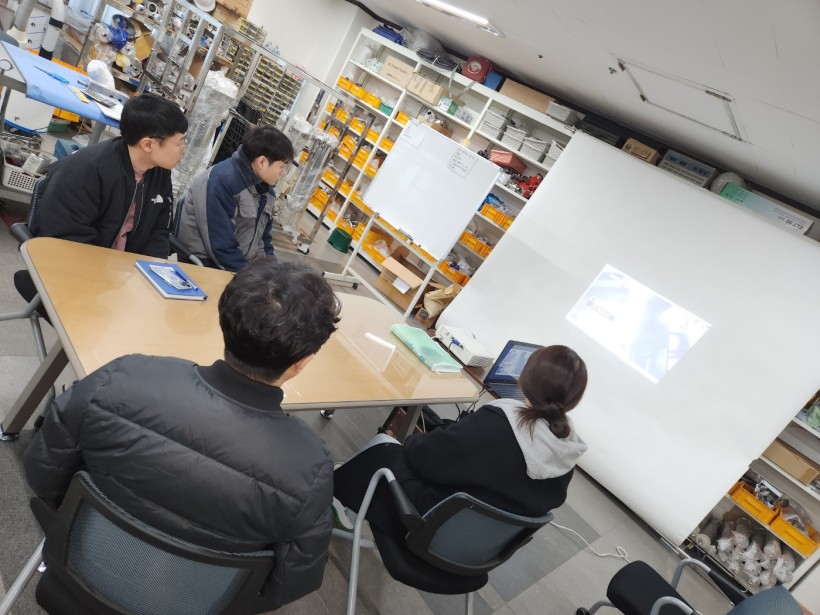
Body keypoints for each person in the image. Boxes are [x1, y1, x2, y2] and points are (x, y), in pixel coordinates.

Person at [24, 259, 341, 613]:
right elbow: (289, 583)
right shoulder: (310, 469)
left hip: (76, 576)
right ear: (304, 360)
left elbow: (42, 471)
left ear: (223, 320)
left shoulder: (122, 377)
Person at [332, 344, 589, 543]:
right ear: (573, 401)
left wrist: (413, 439)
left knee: (385, 445)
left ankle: (334, 497)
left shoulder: (499, 424)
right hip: (473, 551)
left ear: (525, 379)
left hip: (425, 525)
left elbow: (425, 457)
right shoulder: (565, 454)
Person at [14, 94, 189, 313]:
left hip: (121, 279)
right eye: (180, 142)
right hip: (75, 276)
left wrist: (152, 275)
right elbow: (66, 242)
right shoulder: (86, 171)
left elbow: (159, 231)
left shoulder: (159, 172)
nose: (184, 149)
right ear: (148, 144)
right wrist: (112, 281)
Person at [175, 125, 294, 271]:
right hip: (205, 265)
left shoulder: (267, 192)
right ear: (262, 162)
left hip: (237, 264)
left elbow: (264, 241)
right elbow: (220, 246)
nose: (283, 173)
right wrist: (251, 278)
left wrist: (272, 273)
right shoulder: (221, 182)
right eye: (282, 166)